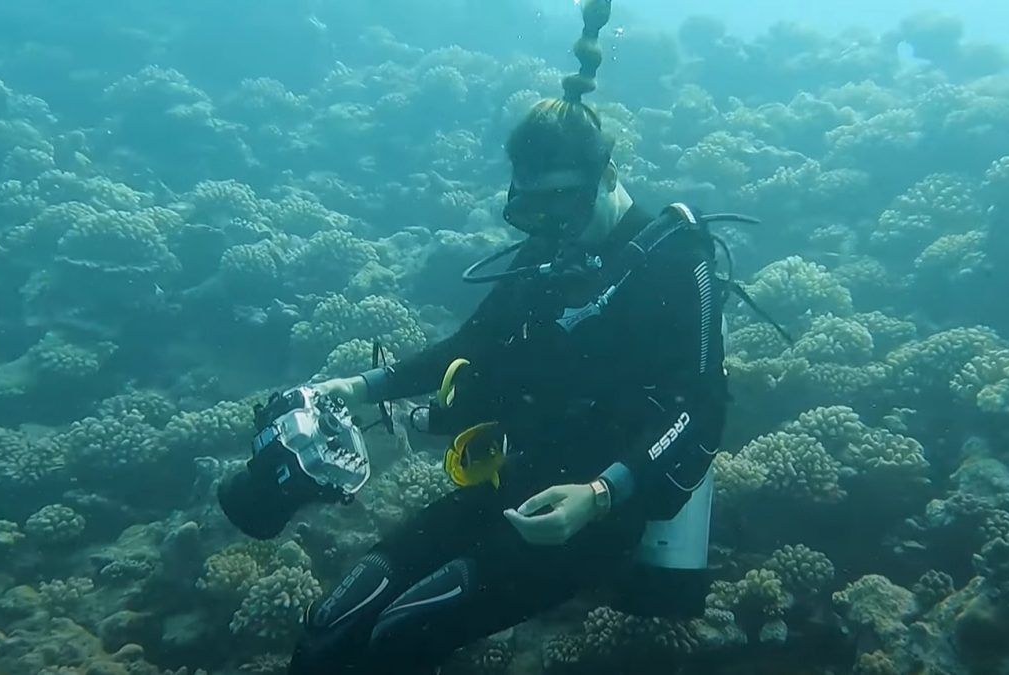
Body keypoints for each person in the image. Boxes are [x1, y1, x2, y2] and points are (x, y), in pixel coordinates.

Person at [288, 1, 729, 672]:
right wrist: (363, 383)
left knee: (401, 634)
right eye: (534, 207)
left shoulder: (675, 257)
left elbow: (700, 407)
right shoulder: (546, 258)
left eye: (564, 202)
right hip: (513, 479)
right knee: (333, 622)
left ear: (607, 175)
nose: (549, 224)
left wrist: (603, 493)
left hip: (597, 514)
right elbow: (466, 346)